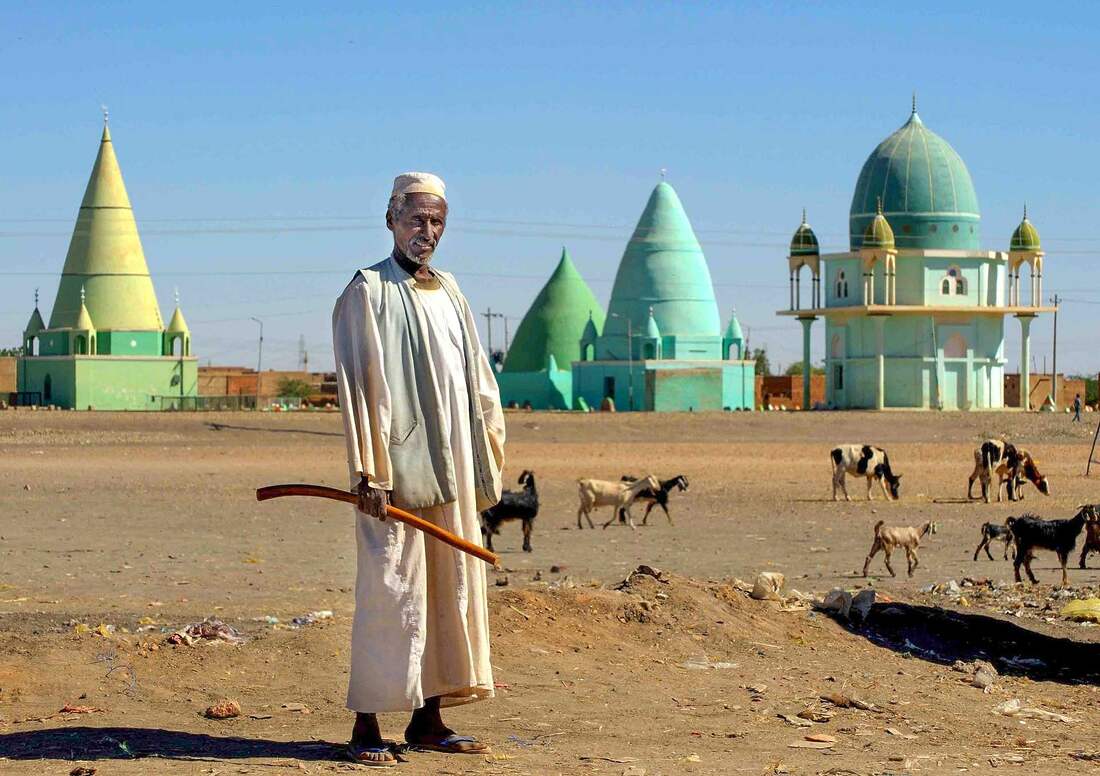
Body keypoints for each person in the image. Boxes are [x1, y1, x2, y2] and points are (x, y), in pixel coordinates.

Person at [332, 172, 505, 767]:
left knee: (447, 587)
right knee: (391, 589)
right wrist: (368, 473)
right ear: (391, 220)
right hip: (395, 471)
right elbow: (359, 387)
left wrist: (485, 457)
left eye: (436, 223)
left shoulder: (451, 291)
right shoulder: (368, 292)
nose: (426, 233)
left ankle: (429, 720)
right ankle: (366, 726)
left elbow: (477, 379)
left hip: (451, 468)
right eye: (415, 220)